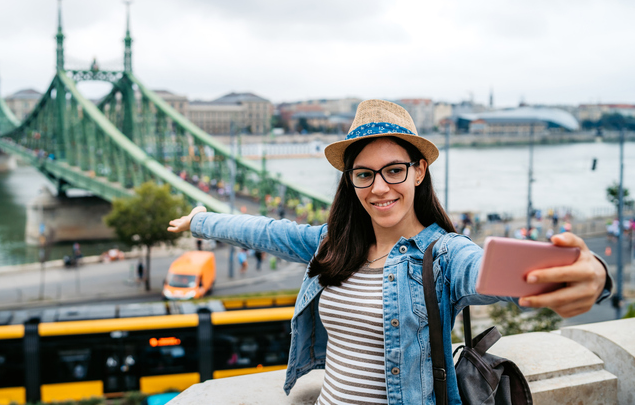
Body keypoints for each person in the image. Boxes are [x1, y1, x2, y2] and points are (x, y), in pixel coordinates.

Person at [168, 99, 611, 405]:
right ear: (351, 181)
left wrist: (591, 274)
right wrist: (201, 221)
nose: (379, 188)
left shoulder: (444, 255)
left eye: (394, 170)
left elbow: (494, 275)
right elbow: (264, 231)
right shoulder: (333, 244)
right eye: (364, 175)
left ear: (419, 171)